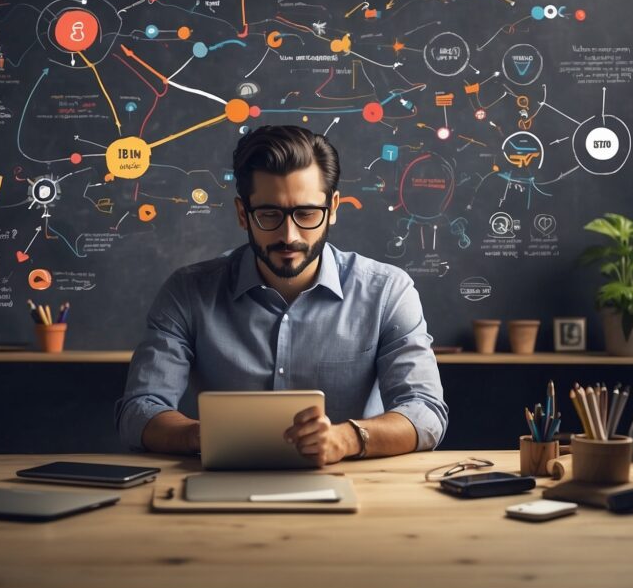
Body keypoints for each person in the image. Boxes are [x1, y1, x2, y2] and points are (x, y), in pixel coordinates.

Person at [115, 125, 448, 465]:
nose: (289, 236)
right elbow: (139, 410)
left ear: (332, 208)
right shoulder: (188, 292)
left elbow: (425, 412)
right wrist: (205, 435)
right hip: (223, 483)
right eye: (269, 214)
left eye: (306, 214)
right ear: (243, 214)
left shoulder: (388, 291)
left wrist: (345, 438)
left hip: (354, 486)